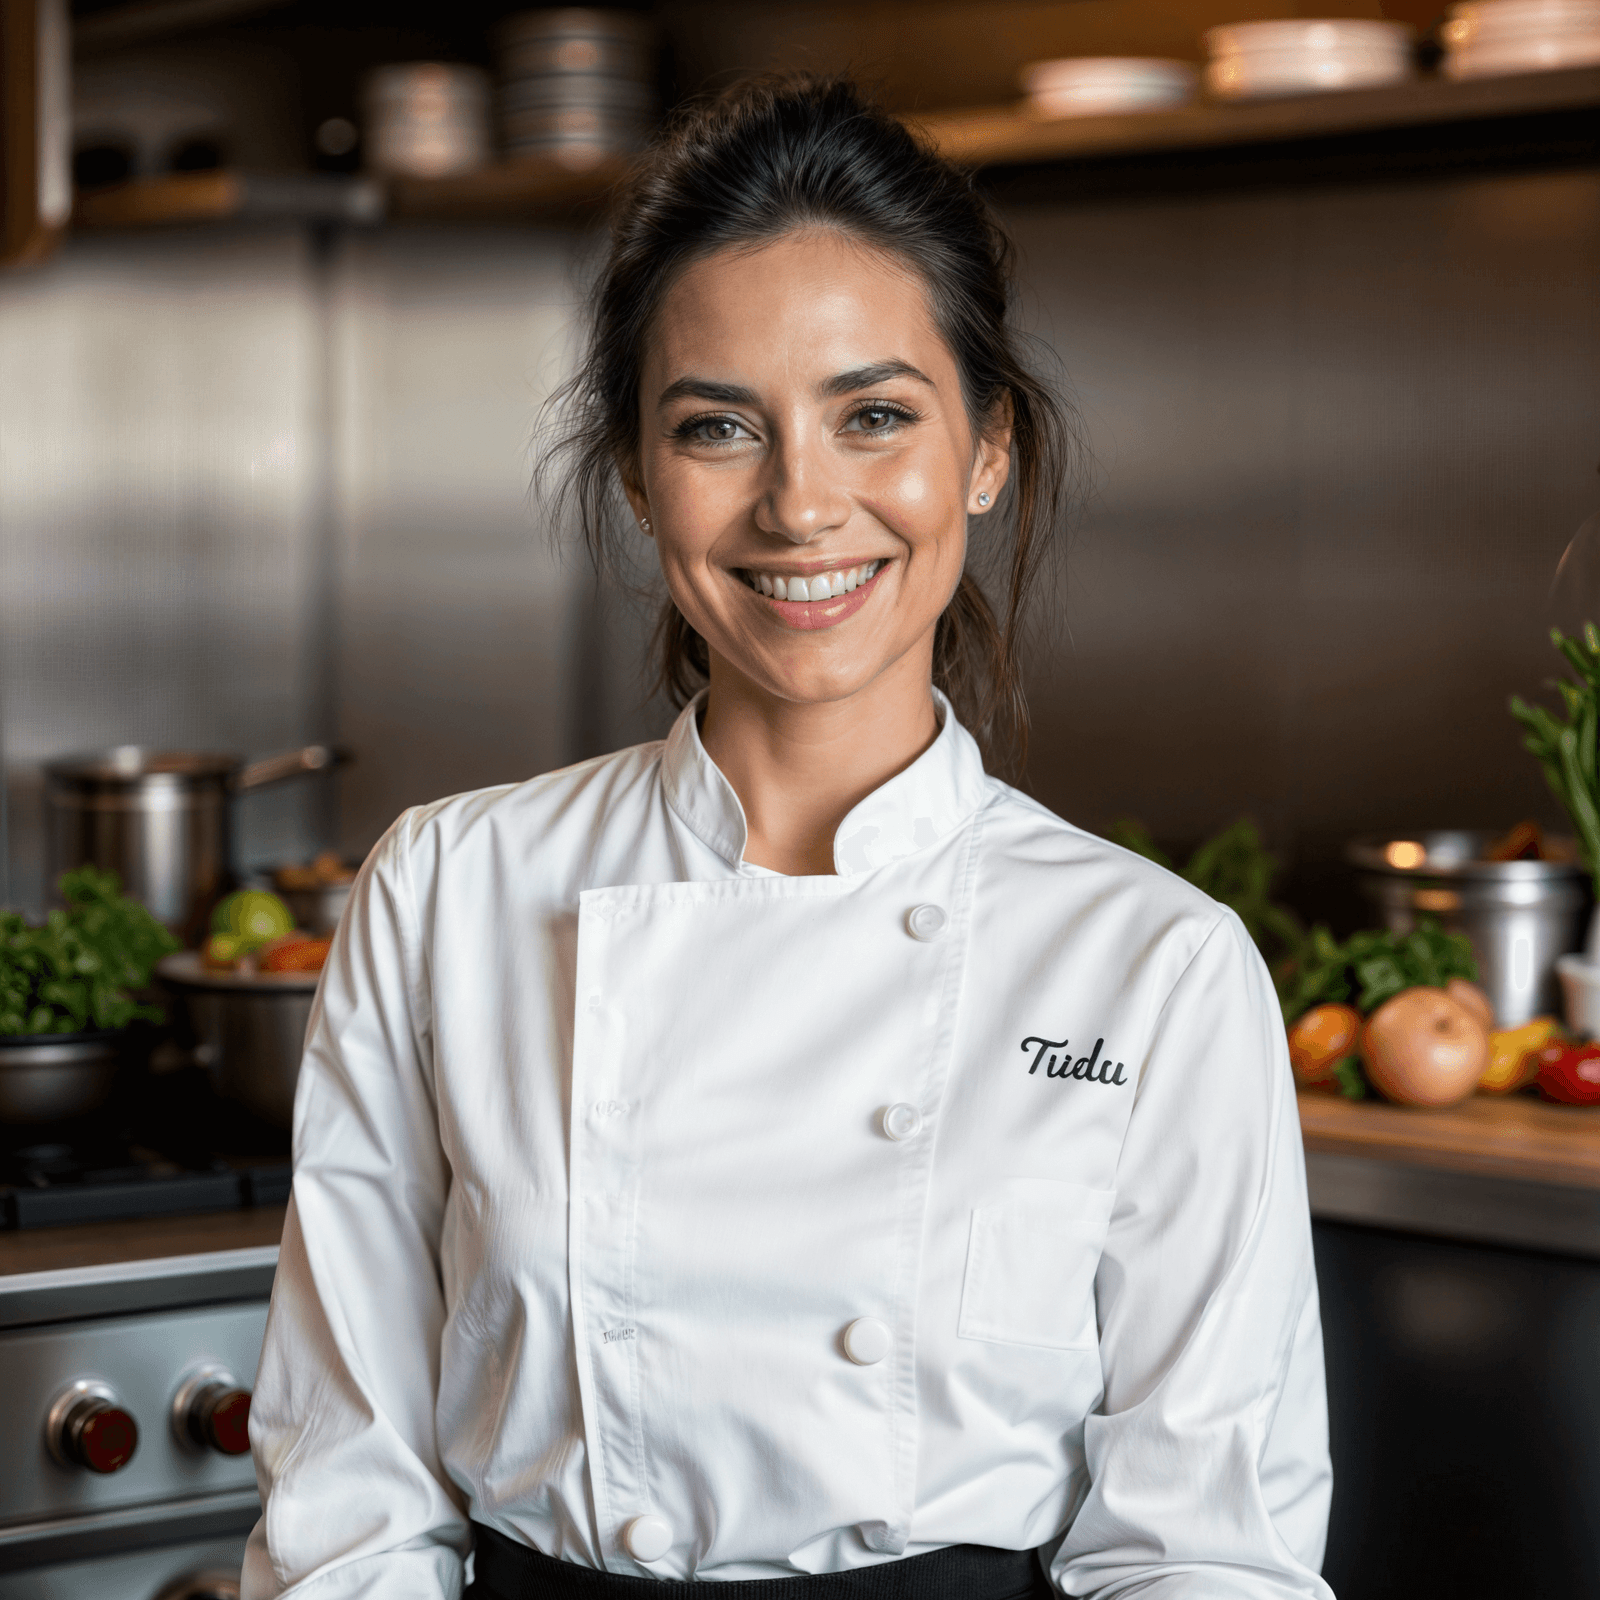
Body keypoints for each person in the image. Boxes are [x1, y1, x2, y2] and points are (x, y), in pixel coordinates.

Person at [243, 75, 1334, 1600]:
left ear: (987, 453)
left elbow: (1210, 1555)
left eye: (875, 415)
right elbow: (349, 1499)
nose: (802, 505)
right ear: (638, 473)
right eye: (718, 429)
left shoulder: (1153, 965)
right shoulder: (446, 893)